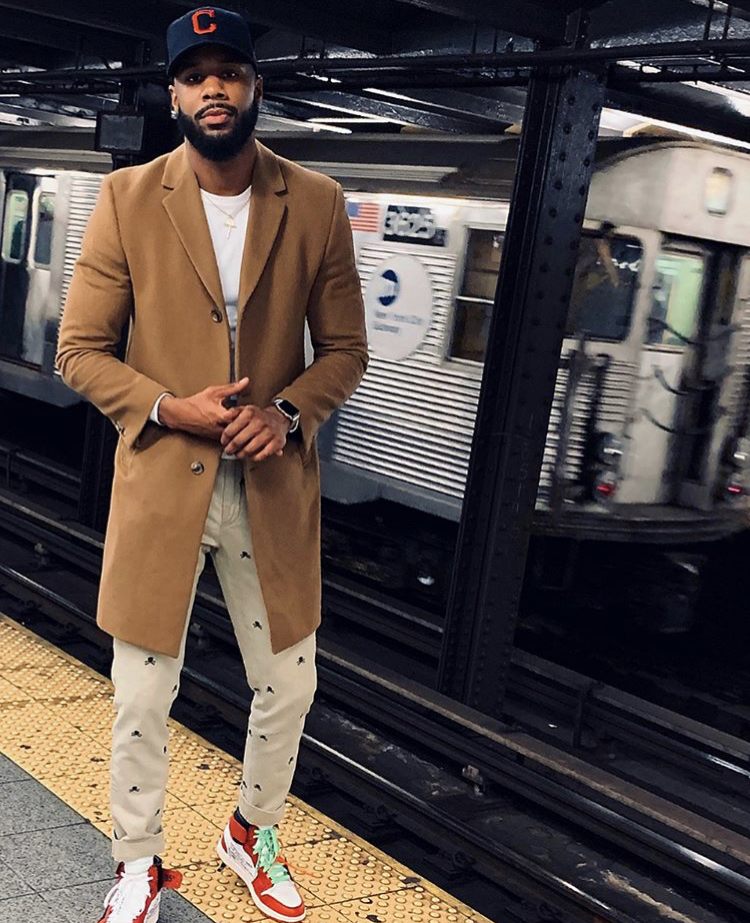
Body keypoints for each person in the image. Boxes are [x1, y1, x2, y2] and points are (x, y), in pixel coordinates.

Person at [56, 7, 368, 923]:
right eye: (196, 77)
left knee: (290, 684)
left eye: (229, 72)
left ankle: (251, 832)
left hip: (271, 486)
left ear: (255, 87)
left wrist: (288, 413)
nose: (214, 89)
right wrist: (168, 406)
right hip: (164, 481)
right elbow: (79, 350)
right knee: (143, 693)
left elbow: (344, 350)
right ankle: (137, 861)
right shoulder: (127, 198)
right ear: (174, 97)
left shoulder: (315, 201)